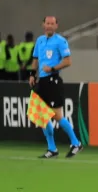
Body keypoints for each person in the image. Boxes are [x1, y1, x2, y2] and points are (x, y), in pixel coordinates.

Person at [29, 16, 83, 158]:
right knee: (42, 116)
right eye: (47, 23)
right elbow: (35, 60)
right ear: (43, 25)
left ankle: (76, 143)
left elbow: (68, 61)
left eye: (52, 24)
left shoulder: (60, 41)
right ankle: (52, 148)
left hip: (53, 81)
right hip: (42, 82)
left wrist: (53, 68)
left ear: (56, 26)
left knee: (57, 115)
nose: (49, 26)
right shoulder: (40, 40)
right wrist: (32, 75)